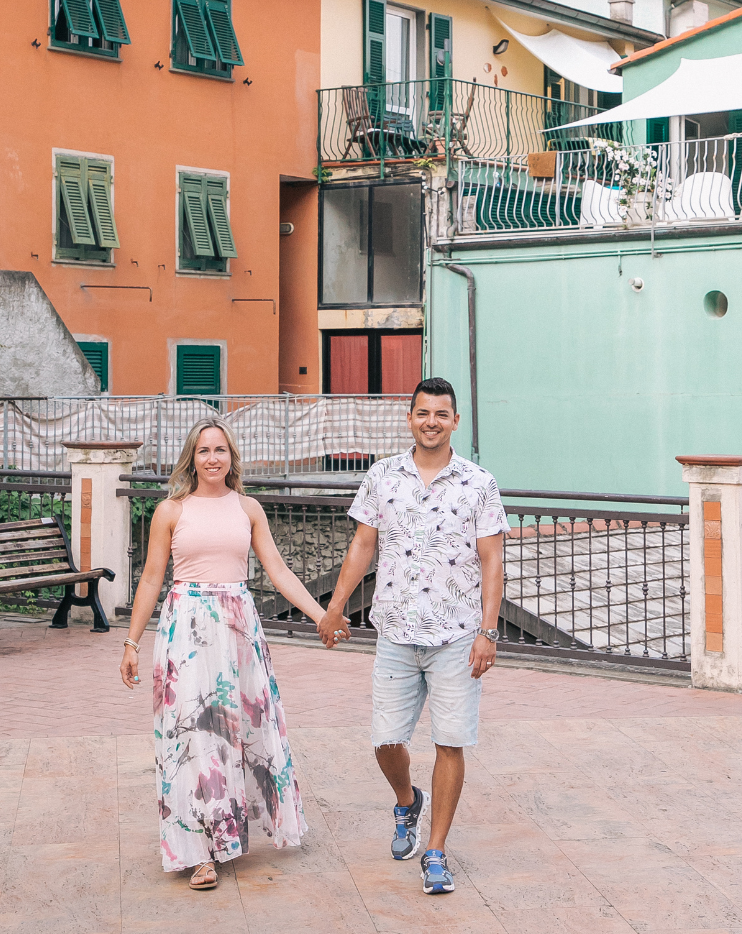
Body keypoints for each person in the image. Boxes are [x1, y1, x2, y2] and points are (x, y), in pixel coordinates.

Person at [119, 418, 335, 890]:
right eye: (203, 451)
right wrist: (132, 643)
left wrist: (321, 615)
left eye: (220, 450)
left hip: (238, 630)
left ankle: (227, 834)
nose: (212, 458)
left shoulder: (248, 508)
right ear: (190, 459)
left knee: (239, 733)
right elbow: (152, 578)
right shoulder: (171, 511)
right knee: (192, 737)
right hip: (187, 631)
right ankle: (198, 854)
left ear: (232, 456)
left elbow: (277, 569)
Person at [318, 377, 508, 896]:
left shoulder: (479, 483)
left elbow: (492, 561)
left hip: (457, 635)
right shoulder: (382, 477)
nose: (431, 422)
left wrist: (488, 631)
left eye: (441, 414)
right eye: (422, 413)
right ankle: (406, 800)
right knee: (385, 740)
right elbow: (362, 545)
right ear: (410, 418)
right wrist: (335, 609)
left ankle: (436, 850)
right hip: (396, 633)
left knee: (450, 742)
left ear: (455, 421)